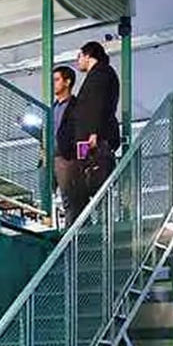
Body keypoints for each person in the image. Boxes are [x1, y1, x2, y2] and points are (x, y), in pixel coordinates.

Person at [72, 40, 121, 204]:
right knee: (87, 174)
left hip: (93, 139)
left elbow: (96, 104)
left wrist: (94, 132)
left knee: (92, 177)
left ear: (88, 55)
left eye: (79, 56)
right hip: (90, 138)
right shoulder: (101, 74)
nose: (78, 61)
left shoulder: (100, 74)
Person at [52, 65, 81, 227]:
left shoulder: (76, 106)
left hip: (65, 156)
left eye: (57, 80)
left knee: (69, 198)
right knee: (46, 196)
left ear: (67, 82)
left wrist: (75, 155)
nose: (54, 84)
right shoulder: (52, 108)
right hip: (48, 157)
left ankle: (71, 230)